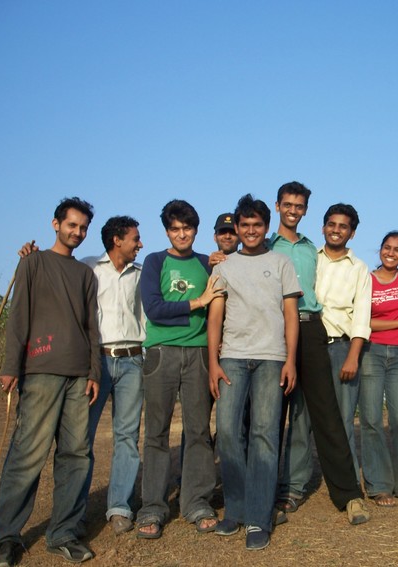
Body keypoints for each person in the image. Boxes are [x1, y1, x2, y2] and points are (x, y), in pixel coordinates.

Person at [17, 216, 146, 537]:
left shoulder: (140, 274)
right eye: (135, 239)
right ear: (117, 240)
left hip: (132, 361)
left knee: (127, 436)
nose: (140, 244)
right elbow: (54, 280)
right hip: (96, 362)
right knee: (80, 439)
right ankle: (75, 512)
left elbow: (144, 317)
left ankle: (119, 507)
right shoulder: (87, 268)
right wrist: (31, 259)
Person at [0, 197, 100, 567]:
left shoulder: (85, 274)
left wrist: (95, 372)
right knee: (27, 455)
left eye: (83, 228)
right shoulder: (33, 262)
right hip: (40, 371)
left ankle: (63, 533)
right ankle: (6, 538)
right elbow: (18, 316)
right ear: (56, 224)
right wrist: (11, 367)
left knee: (76, 455)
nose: (77, 232)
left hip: (79, 376)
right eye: (72, 225)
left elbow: (92, 326)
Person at [272, 182, 370, 526]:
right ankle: (285, 489)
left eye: (299, 205)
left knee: (329, 417)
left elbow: (361, 315)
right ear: (278, 206)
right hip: (278, 331)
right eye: (288, 204)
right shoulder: (270, 247)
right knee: (284, 416)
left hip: (316, 331)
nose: (293, 210)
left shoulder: (314, 251)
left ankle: (349, 494)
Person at [208, 194, 301, 551]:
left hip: (271, 358)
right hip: (232, 357)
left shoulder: (281, 263)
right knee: (229, 432)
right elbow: (215, 316)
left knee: (264, 435)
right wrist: (213, 362)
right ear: (237, 227)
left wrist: (290, 359)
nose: (250, 230)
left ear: (266, 226)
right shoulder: (224, 267)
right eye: (244, 225)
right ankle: (235, 509)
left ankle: (259, 517)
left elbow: (290, 314)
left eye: (257, 225)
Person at [135, 200, 225, 539]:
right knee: (156, 433)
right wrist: (198, 302)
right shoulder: (155, 261)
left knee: (198, 430)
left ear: (196, 230)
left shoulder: (206, 263)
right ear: (167, 231)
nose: (182, 234)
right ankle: (153, 507)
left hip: (199, 354)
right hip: (161, 353)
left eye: (187, 228)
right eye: (175, 229)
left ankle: (196, 502)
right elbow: (154, 308)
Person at [358, 231, 398, 507]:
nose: (391, 253)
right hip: (371, 352)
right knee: (371, 419)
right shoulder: (367, 280)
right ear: (380, 249)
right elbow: (364, 321)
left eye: (397, 250)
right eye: (387, 247)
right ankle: (379, 485)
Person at [316, 203, 372, 481]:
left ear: (352, 233)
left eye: (343, 226)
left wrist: (352, 356)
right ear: (323, 227)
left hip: (341, 346)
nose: (336, 230)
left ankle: (349, 483)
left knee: (343, 418)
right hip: (309, 345)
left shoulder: (359, 269)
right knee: (303, 420)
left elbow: (362, 315)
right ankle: (293, 486)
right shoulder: (310, 258)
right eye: (332, 224)